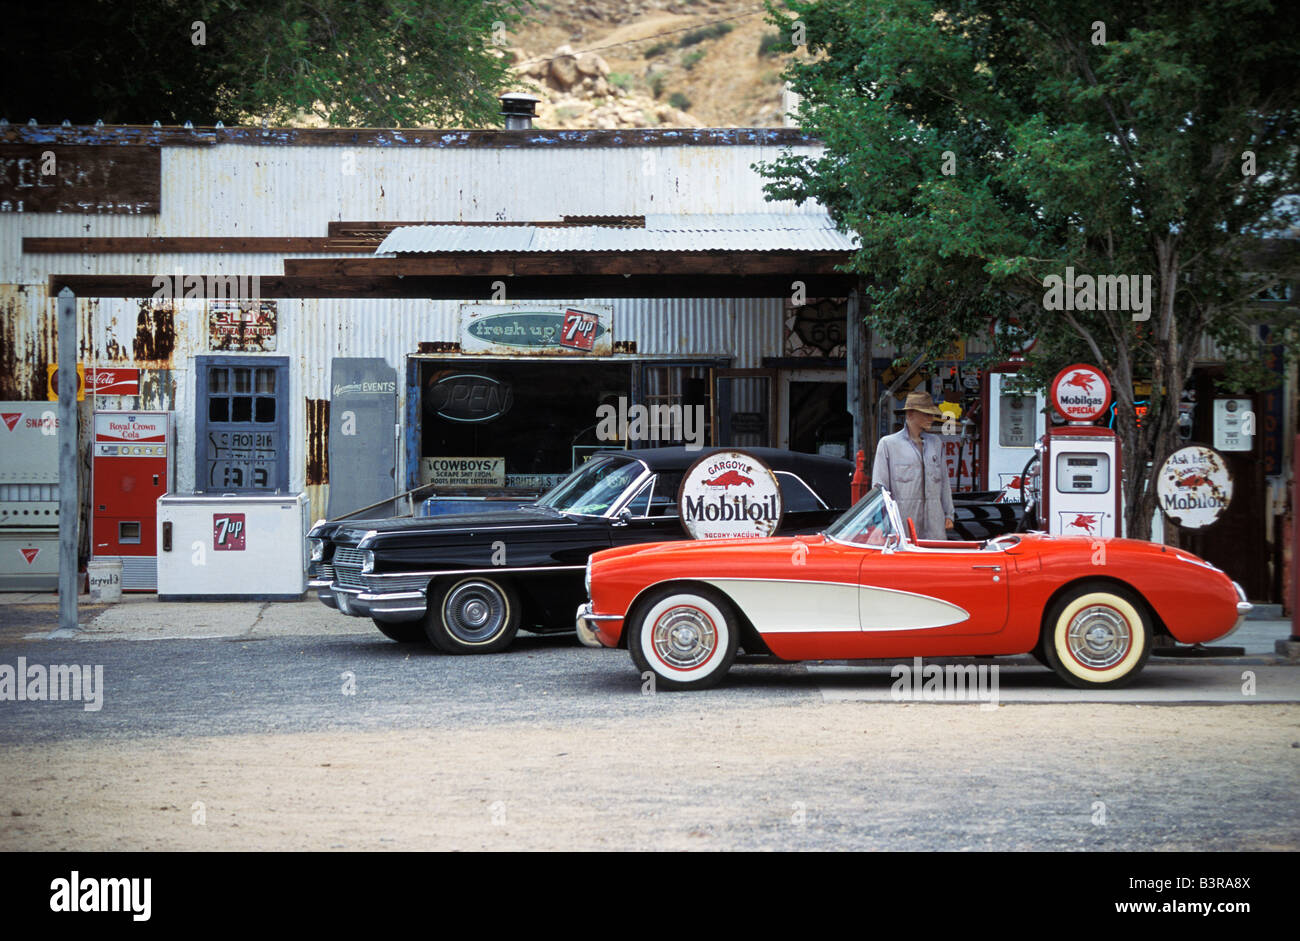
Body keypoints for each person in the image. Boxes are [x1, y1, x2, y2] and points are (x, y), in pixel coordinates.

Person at [872, 390, 955, 540]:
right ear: (910, 414)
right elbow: (880, 489)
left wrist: (949, 514)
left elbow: (944, 483)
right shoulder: (888, 444)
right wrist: (880, 524)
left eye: (931, 414)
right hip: (903, 527)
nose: (931, 418)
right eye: (926, 414)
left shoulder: (935, 443)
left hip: (934, 526)